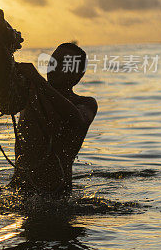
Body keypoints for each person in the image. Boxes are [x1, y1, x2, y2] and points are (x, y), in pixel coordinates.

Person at [9, 42, 98, 196]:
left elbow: (76, 119)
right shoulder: (29, 94)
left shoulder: (86, 104)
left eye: (64, 63)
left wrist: (38, 80)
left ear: (78, 74)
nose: (55, 66)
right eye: (53, 61)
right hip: (18, 189)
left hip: (57, 195)